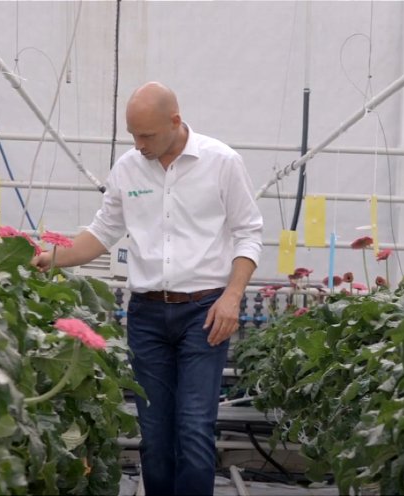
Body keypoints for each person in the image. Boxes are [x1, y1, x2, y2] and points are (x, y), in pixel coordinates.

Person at [31, 82, 263, 495]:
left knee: (193, 427)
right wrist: (51, 257)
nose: (139, 145)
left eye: (148, 135)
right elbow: (103, 232)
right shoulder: (128, 168)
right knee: (154, 435)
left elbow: (248, 234)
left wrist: (232, 297)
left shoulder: (222, 162)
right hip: (147, 315)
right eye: (134, 135)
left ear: (175, 121)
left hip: (205, 311)